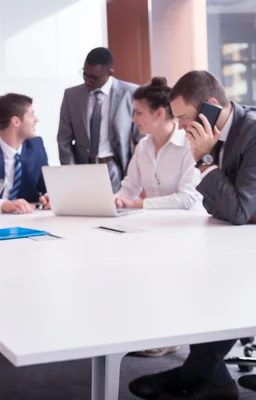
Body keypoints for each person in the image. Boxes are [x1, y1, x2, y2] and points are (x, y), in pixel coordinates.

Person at [129, 70, 256, 400]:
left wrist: (204, 158)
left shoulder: (252, 130)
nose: (182, 127)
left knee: (215, 280)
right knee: (198, 273)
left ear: (211, 106)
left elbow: (238, 209)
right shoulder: (217, 133)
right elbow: (218, 208)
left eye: (185, 118)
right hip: (240, 240)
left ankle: (203, 376)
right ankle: (205, 375)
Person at [57, 47, 142, 192]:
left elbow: (141, 138)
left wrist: (135, 173)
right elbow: (64, 139)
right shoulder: (71, 95)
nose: (88, 81)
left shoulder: (130, 93)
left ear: (109, 73)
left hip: (115, 167)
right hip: (82, 168)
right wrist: (70, 172)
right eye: (85, 75)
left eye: (93, 78)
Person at [114, 77, 200, 212]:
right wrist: (117, 200)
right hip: (154, 224)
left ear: (159, 113)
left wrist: (137, 204)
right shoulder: (142, 146)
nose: (133, 119)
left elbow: (186, 199)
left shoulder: (190, 145)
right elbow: (129, 188)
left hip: (188, 225)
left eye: (139, 113)